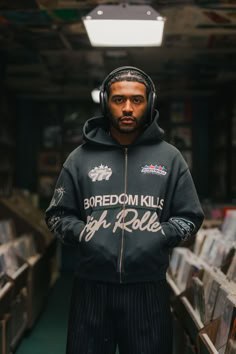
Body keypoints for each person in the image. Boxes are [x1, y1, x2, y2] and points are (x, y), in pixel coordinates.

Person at [45, 66, 204, 354]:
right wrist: (83, 234)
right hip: (91, 288)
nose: (128, 108)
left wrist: (159, 234)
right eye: (119, 100)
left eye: (137, 100)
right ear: (106, 102)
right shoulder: (79, 159)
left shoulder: (170, 158)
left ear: (149, 103)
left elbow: (190, 216)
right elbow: (56, 216)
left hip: (147, 289)